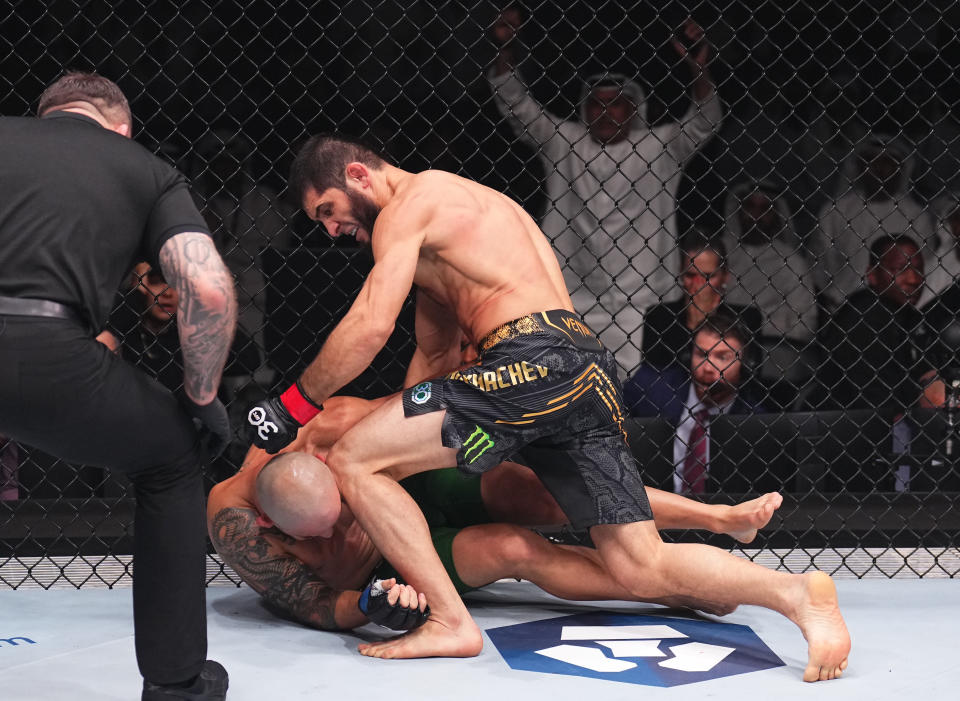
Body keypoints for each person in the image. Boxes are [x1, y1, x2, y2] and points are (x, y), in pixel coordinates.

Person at [245, 134, 849, 681]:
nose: (328, 230)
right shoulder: (465, 217)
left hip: (525, 360)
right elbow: (432, 355)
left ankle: (452, 622)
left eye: (326, 210)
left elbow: (370, 324)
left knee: (353, 460)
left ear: (357, 175)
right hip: (583, 364)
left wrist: (297, 403)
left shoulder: (409, 206)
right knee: (639, 564)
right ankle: (797, 594)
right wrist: (397, 437)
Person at [0, 72, 235, 700]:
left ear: (43, 116)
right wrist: (200, 397)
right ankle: (175, 682)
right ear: (121, 127)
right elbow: (207, 290)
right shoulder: (144, 167)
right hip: (47, 351)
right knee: (172, 459)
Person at [212, 395, 784, 629]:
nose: (343, 527)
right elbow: (313, 605)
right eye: (320, 535)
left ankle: (717, 517)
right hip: (388, 566)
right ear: (270, 523)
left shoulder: (332, 425)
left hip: (413, 490)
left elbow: (421, 409)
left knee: (545, 492)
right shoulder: (234, 525)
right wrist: (370, 603)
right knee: (516, 548)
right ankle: (675, 589)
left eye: (340, 509)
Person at [487, 10, 723, 376]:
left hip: (640, 304)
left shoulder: (657, 147)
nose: (606, 112)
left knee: (634, 392)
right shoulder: (565, 141)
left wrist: (699, 69)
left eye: (616, 103)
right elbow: (516, 104)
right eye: (597, 103)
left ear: (633, 109)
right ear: (585, 107)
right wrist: (507, 49)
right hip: (571, 296)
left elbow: (705, 121)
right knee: (567, 388)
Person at [626, 312, 766, 494]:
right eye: (701, 354)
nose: (707, 368)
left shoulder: (755, 420)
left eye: (722, 357)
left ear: (747, 364)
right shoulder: (650, 387)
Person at [811, 134, 938, 309]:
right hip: (841, 306)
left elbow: (925, 266)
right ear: (860, 167)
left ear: (900, 169)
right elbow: (820, 264)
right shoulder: (835, 211)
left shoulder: (917, 216)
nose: (881, 170)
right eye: (873, 163)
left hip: (898, 308)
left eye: (888, 164)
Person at [813, 235, 932, 413]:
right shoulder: (866, 317)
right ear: (873, 275)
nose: (913, 280)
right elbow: (878, 399)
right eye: (901, 269)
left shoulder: (905, 315)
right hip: (851, 425)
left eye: (919, 270)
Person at [721, 180, 817, 384]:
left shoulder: (791, 262)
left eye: (764, 209)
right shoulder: (721, 254)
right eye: (750, 207)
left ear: (776, 216)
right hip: (721, 351)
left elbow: (805, 322)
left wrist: (768, 332)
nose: (756, 216)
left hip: (774, 359)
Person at [641, 235, 762, 371]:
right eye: (691, 276)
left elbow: (749, 377)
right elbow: (654, 378)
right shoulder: (659, 318)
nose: (699, 285)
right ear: (681, 273)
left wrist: (706, 322)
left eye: (708, 276)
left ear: (724, 276)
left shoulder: (746, 320)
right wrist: (693, 328)